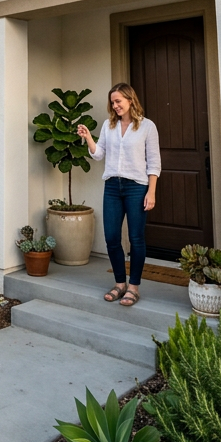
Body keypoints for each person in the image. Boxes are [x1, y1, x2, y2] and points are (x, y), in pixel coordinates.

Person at [76, 82, 161, 307]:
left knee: (135, 239)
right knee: (112, 238)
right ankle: (119, 283)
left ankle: (133, 287)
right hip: (112, 186)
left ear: (130, 100)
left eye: (118, 101)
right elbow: (99, 154)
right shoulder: (108, 125)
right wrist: (88, 138)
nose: (115, 106)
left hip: (136, 187)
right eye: (112, 102)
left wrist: (151, 192)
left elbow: (154, 163)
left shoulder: (147, 127)